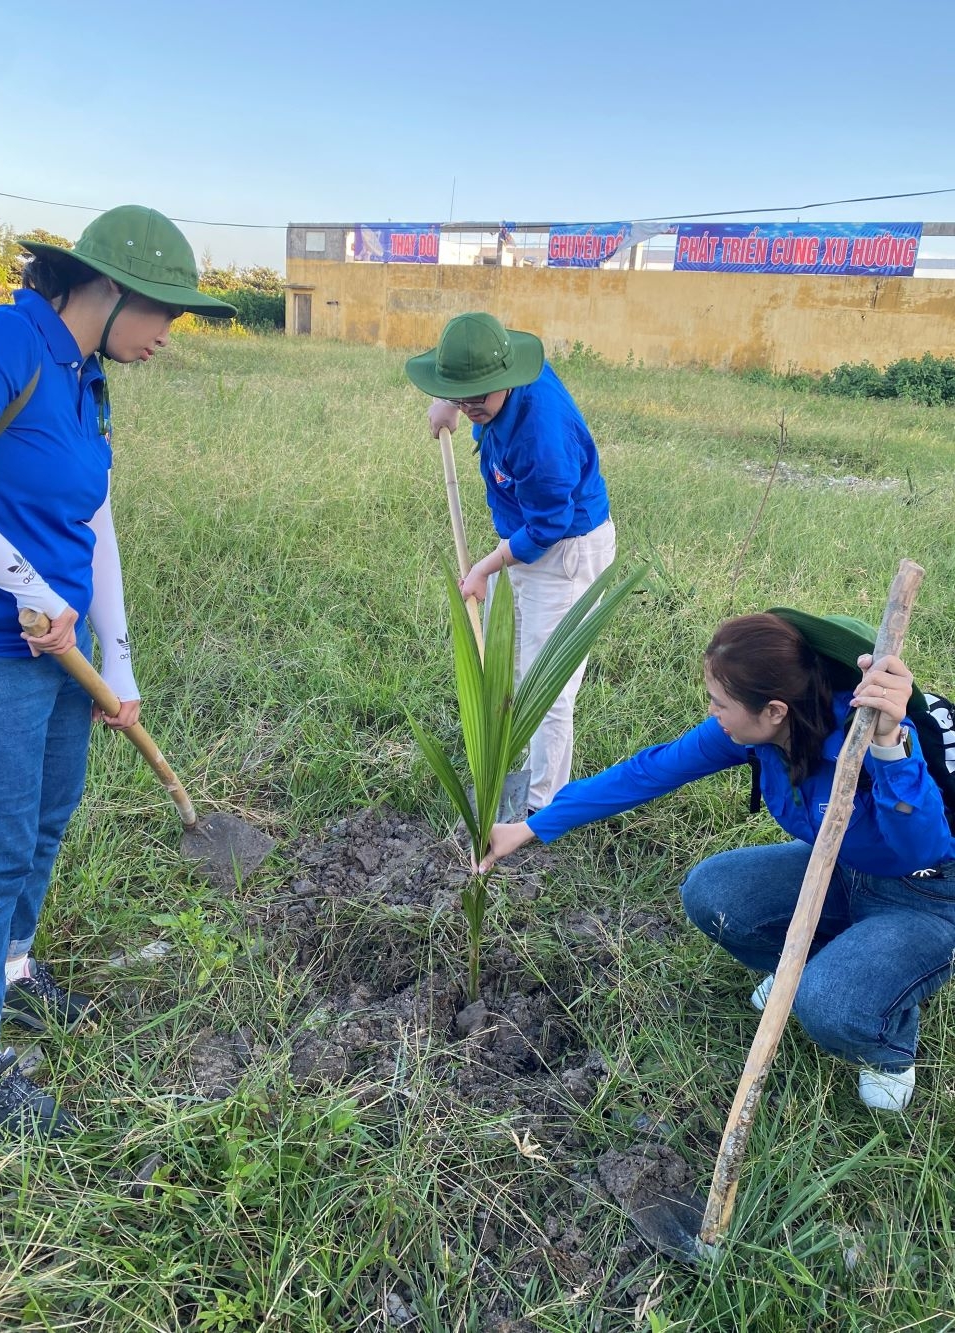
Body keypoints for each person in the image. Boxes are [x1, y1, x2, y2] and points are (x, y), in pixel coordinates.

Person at [0, 205, 235, 1139]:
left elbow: (96, 524)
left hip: (62, 649)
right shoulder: (0, 341)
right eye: (164, 313)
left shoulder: (87, 380)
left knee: (45, 819)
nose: (167, 336)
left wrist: (120, 659)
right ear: (106, 290)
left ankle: (10, 974)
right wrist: (25, 585)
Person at [477, 609, 955, 1112]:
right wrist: (531, 827)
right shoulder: (757, 734)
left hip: (926, 895)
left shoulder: (868, 739)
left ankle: (887, 1043)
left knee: (830, 1003)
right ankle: (818, 961)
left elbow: (916, 849)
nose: (713, 714)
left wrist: (887, 748)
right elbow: (648, 772)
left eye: (719, 702)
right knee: (714, 893)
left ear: (773, 709)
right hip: (838, 870)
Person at [406, 312, 616, 813]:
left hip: (564, 550)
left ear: (506, 380)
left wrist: (485, 566)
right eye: (461, 394)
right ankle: (508, 762)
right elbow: (464, 378)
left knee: (547, 684)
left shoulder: (541, 435)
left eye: (477, 398)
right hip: (520, 540)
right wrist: (447, 401)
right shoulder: (493, 373)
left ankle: (542, 805)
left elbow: (547, 526)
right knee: (508, 662)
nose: (469, 406)